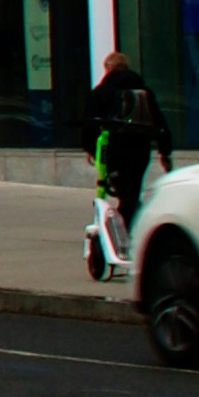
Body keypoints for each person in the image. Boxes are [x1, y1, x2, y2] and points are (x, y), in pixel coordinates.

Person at [79, 44, 166, 284]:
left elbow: (89, 122)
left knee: (121, 193)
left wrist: (88, 148)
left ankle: (128, 238)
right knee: (131, 193)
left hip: (113, 151)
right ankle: (131, 231)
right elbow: (159, 122)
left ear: (108, 68)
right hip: (139, 152)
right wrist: (164, 152)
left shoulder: (102, 92)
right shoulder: (144, 91)